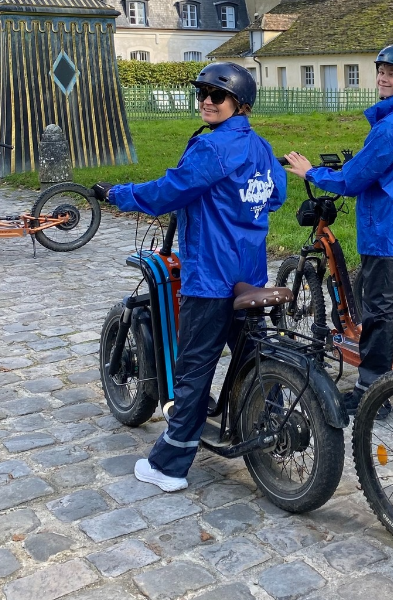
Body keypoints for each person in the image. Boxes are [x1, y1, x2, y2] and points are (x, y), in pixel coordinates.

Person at [92, 62, 287, 492]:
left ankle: (170, 464)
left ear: (240, 103)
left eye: (217, 95)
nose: (206, 101)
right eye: (201, 93)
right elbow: (277, 194)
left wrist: (117, 194)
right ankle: (270, 424)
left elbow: (167, 191)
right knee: (256, 353)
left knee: (194, 364)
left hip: (211, 275)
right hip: (250, 271)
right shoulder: (260, 147)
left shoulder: (210, 149)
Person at [284, 44, 393, 414]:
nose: (384, 77)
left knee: (381, 315)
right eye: (381, 71)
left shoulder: (390, 128)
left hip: (387, 234)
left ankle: (372, 394)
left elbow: (352, 180)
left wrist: (311, 172)